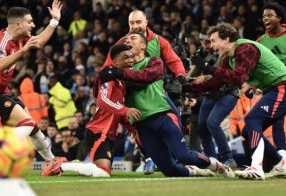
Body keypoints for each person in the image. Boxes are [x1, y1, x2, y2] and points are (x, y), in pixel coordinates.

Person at [167, 23, 286, 180]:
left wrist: (206, 66)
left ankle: (256, 167)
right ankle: (280, 164)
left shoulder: (245, 48)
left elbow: (238, 78)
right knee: (248, 130)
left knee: (252, 120)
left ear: (227, 39)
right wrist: (185, 88)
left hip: (285, 87)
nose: (212, 45)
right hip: (278, 89)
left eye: (214, 40)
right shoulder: (229, 58)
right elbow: (217, 82)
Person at [103, 33, 235, 178]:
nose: (128, 40)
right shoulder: (120, 74)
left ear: (143, 46)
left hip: (162, 116)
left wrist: (118, 73)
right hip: (142, 126)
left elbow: (147, 77)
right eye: (126, 40)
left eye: (133, 39)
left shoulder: (154, 62)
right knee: (169, 171)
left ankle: (215, 165)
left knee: (183, 156)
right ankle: (195, 171)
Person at [42, 43, 163, 177]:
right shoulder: (109, 77)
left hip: (109, 135)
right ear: (116, 61)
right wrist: (125, 110)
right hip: (98, 132)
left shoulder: (121, 81)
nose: (130, 61)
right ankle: (61, 165)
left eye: (131, 57)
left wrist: (129, 125)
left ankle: (72, 164)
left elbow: (115, 110)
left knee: (102, 171)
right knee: (102, 173)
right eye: (126, 58)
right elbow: (102, 101)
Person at [0, 0, 66, 173]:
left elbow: (38, 42)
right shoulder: (0, 41)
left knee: (33, 126)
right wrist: (23, 51)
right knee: (28, 123)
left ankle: (51, 162)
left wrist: (54, 21)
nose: (33, 25)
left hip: (2, 91)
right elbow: (0, 65)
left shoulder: (19, 38)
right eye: (29, 21)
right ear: (18, 24)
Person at [101, 9, 187, 174]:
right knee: (138, 131)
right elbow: (107, 67)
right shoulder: (121, 43)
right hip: (131, 95)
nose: (135, 26)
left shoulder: (158, 41)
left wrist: (181, 75)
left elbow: (174, 60)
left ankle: (173, 157)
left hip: (156, 95)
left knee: (176, 119)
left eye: (138, 22)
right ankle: (148, 158)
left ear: (146, 22)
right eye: (132, 23)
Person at [257, 2, 286, 178]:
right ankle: (281, 160)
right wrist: (253, 86)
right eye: (263, 17)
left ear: (280, 18)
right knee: (276, 123)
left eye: (269, 15)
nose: (265, 19)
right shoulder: (260, 42)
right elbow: (257, 68)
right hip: (274, 88)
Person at [194, 31, 238, 167]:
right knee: (202, 127)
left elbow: (220, 75)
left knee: (212, 123)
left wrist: (204, 76)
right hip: (210, 94)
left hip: (227, 93)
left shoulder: (223, 52)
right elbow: (193, 75)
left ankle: (228, 158)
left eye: (210, 42)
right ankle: (212, 161)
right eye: (204, 42)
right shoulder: (202, 54)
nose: (207, 45)